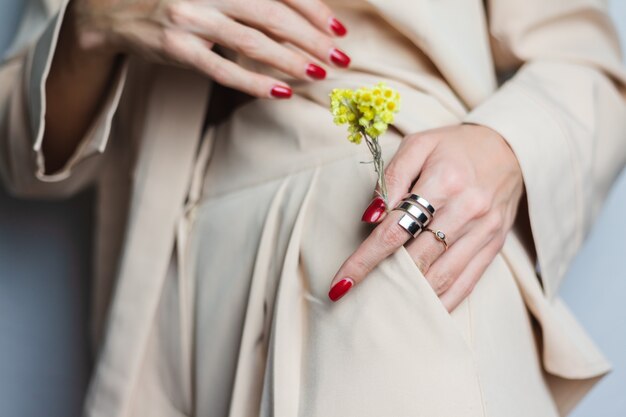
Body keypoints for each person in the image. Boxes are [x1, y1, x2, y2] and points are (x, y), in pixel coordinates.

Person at [1, 0, 625, 416]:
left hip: (376, 212)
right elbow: (23, 147)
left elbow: (590, 65)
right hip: (159, 270)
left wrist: (502, 150)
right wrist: (93, 22)